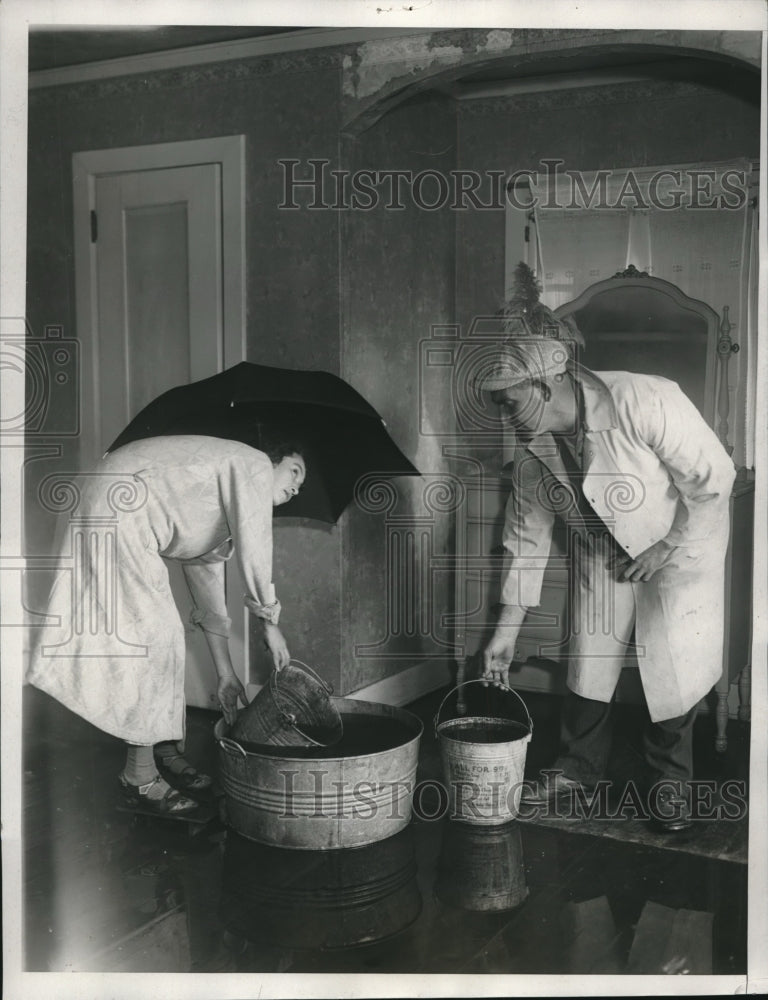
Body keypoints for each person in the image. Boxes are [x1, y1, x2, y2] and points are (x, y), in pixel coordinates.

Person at [479, 336, 736, 832]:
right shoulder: (532, 450)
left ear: (548, 384)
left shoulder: (644, 399)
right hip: (602, 551)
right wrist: (505, 633)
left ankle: (671, 782)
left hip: (677, 544)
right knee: (591, 659)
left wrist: (668, 546)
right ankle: (578, 771)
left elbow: (715, 476)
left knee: (672, 663)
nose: (506, 416)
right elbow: (525, 538)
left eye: (511, 402)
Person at [26, 433, 306, 815]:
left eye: (300, 485)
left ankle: (162, 749)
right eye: (294, 471)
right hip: (118, 506)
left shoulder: (218, 504)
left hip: (111, 504)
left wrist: (225, 674)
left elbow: (209, 593)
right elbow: (257, 547)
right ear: (272, 461)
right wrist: (268, 621)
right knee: (158, 637)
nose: (296, 486)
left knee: (164, 634)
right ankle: (139, 778)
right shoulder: (252, 463)